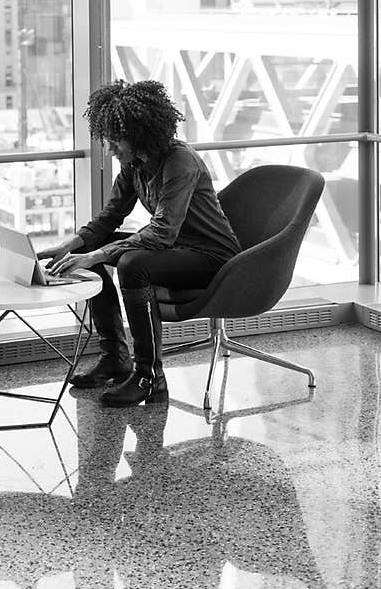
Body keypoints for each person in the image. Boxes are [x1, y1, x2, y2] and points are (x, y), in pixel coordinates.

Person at [39, 78, 240, 407]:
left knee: (132, 265)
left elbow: (162, 231)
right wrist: (73, 244)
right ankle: (116, 357)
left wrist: (99, 255)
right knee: (90, 251)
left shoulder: (180, 162)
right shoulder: (133, 165)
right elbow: (110, 217)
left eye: (116, 140)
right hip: (174, 250)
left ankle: (150, 378)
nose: (109, 149)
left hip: (211, 258)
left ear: (139, 134)